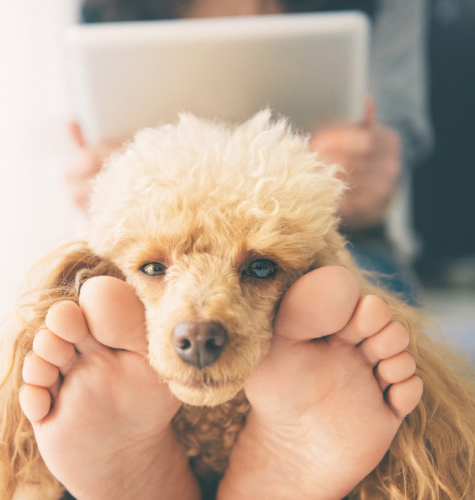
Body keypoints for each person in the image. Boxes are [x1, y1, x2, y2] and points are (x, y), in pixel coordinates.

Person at [21, 0, 430, 497]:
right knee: (100, 311)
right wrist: (101, 174)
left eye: (257, 268)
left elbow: (398, 128)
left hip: (340, 227)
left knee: (346, 299)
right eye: (154, 267)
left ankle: (167, 454)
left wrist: (367, 173)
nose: (202, 330)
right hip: (151, 216)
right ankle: (281, 464)